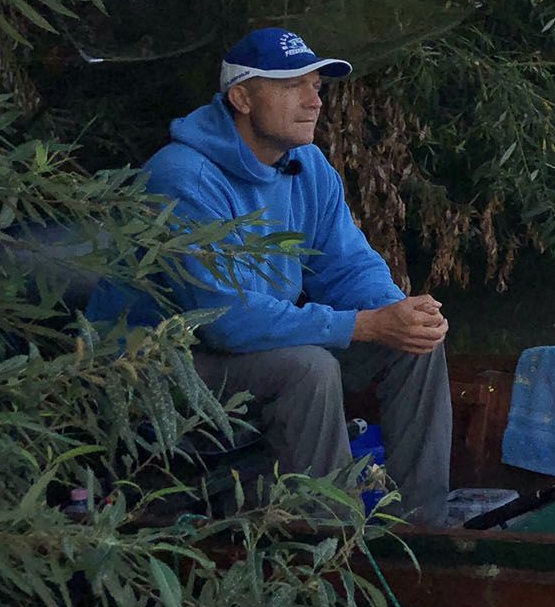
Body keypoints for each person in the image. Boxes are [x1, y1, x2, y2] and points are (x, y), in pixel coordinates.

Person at [125, 27, 453, 524]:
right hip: (158, 370)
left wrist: (396, 313)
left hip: (246, 353)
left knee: (416, 342)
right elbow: (226, 321)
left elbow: (347, 267)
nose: (313, 100)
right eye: (291, 86)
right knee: (308, 367)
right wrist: (364, 325)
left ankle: (423, 531)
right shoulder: (183, 178)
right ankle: (329, 545)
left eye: (317, 86)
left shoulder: (308, 166)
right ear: (242, 98)